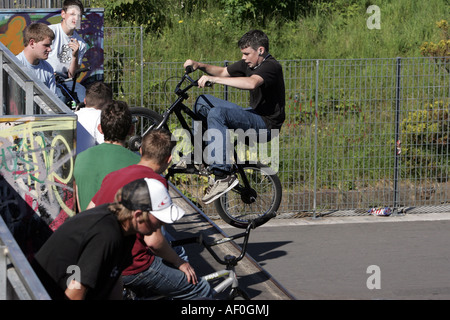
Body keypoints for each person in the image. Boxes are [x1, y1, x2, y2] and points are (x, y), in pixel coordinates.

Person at [88, 129, 213, 300]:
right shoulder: (155, 183)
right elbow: (153, 241)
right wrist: (179, 263)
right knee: (199, 288)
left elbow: (89, 211)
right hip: (133, 265)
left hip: (104, 260)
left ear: (141, 150)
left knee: (175, 250)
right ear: (168, 159)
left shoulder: (114, 175)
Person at [31, 177, 186, 300]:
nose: (161, 224)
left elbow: (115, 279)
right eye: (158, 219)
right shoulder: (106, 234)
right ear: (138, 215)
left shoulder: (127, 229)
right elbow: (75, 292)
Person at [183, 29, 285, 204]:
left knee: (217, 113)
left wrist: (213, 80)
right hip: (252, 115)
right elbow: (223, 71)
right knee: (203, 101)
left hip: (266, 126)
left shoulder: (271, 66)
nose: (244, 58)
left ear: (260, 50)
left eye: (247, 54)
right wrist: (199, 65)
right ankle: (201, 156)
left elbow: (252, 83)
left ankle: (222, 175)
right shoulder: (249, 63)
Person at [73, 100, 140, 212]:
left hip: (86, 226)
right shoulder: (139, 164)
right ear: (131, 130)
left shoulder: (80, 158)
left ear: (100, 129)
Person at [47, 0, 87, 103]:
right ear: (63, 14)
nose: (76, 19)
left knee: (83, 95)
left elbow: (72, 76)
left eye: (79, 16)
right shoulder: (50, 32)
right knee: (60, 96)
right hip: (47, 76)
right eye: (73, 14)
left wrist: (75, 56)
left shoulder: (81, 43)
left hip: (65, 81)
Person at [15, 23, 56, 94]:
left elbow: (53, 101)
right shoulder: (15, 66)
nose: (49, 49)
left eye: (49, 45)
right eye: (46, 45)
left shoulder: (48, 69)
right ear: (32, 43)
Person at [75, 81, 113, 154]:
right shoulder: (102, 118)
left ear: (85, 101)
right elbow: (106, 148)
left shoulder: (74, 115)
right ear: (110, 104)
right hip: (92, 163)